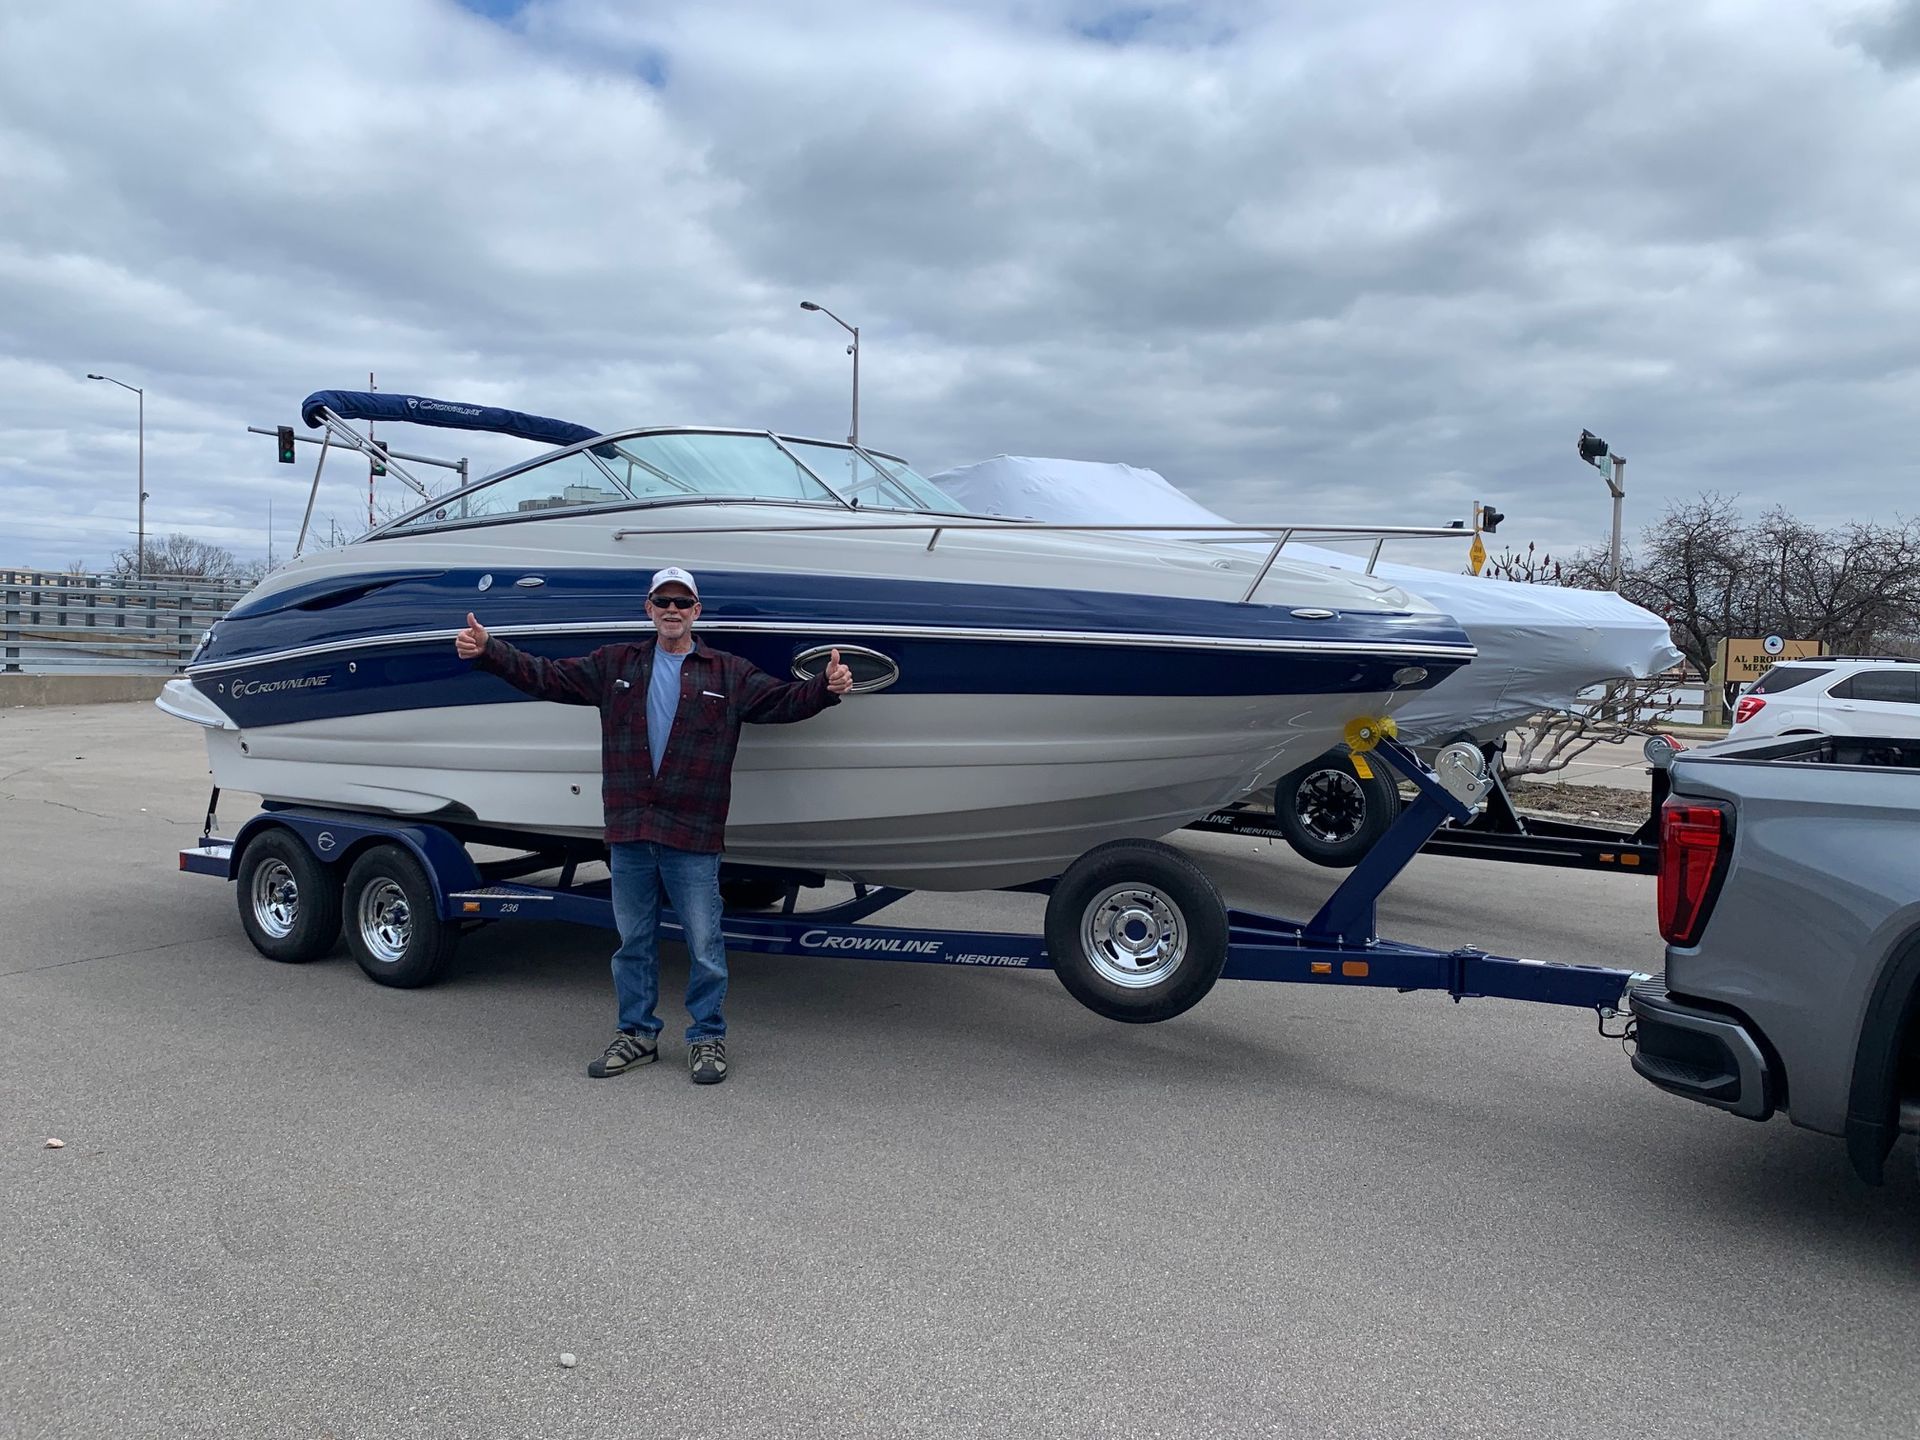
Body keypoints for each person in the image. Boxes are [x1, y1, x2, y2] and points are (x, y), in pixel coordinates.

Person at [455, 566, 851, 1085]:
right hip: (631, 828)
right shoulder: (614, 664)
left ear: (696, 612)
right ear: (648, 610)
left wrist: (825, 687)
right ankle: (636, 1034)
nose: (671, 609)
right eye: (662, 601)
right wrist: (490, 651)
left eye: (681, 602)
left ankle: (707, 1037)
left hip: (694, 831)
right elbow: (546, 676)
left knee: (705, 945)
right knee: (633, 942)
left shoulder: (727, 671)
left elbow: (780, 703)